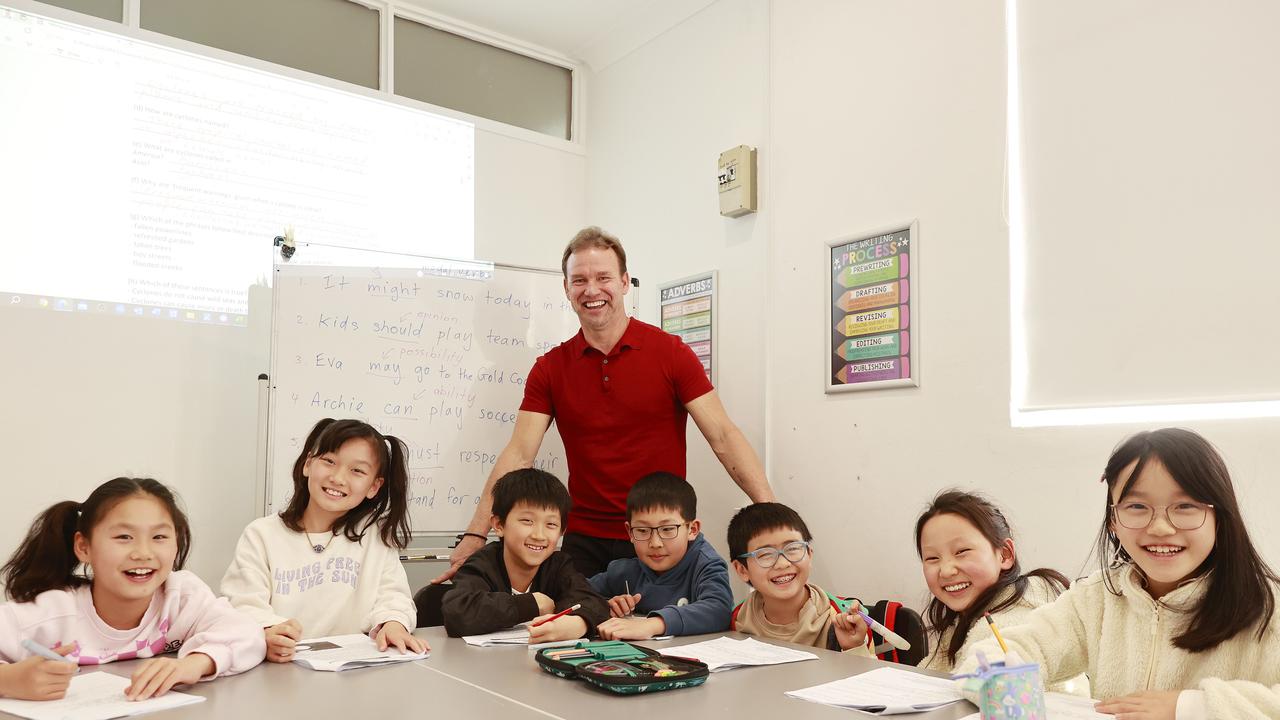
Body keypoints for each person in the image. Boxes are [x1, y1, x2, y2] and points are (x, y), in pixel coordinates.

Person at [435, 226, 775, 581]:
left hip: (657, 536)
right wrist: (476, 534)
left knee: (667, 632)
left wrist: (771, 513)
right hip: (585, 543)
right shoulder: (549, 369)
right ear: (566, 289)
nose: (592, 290)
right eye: (579, 280)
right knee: (576, 632)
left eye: (603, 277)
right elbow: (519, 454)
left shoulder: (672, 354)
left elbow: (723, 435)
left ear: (625, 282)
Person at [959, 428, 1280, 719]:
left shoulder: (1270, 606)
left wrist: (1190, 706)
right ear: (1113, 521)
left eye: (1185, 506)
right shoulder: (1098, 597)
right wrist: (996, 676)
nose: (1160, 528)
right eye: (1137, 507)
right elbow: (1012, 648)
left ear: (1219, 517)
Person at [0, 478, 263, 701]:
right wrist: (8, 681)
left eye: (159, 537)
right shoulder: (52, 611)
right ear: (83, 547)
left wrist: (194, 664)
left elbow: (247, 633)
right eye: (124, 537)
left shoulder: (180, 595)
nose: (143, 553)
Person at [221, 418, 425, 663]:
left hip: (354, 672)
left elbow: (393, 597)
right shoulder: (262, 535)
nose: (338, 478)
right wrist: (267, 632)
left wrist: (393, 623)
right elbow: (243, 604)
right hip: (280, 670)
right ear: (308, 463)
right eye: (329, 461)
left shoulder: (374, 536)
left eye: (357, 470)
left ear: (374, 486)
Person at [914, 489, 1077, 691]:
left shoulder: (1012, 624)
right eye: (932, 558)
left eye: (962, 552)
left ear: (1005, 554)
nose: (946, 570)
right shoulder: (964, 620)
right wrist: (864, 645)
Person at [440, 468, 609, 642]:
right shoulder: (482, 564)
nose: (539, 535)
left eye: (551, 524)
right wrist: (532, 604)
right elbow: (457, 611)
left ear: (561, 532)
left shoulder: (558, 565)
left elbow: (594, 602)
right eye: (527, 521)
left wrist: (578, 623)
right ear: (499, 525)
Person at [590, 472, 733, 639]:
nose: (655, 543)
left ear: (692, 529)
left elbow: (719, 609)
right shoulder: (625, 571)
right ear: (629, 531)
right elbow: (578, 593)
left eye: (667, 529)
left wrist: (653, 625)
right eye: (642, 531)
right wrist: (605, 605)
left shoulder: (706, 565)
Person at [727, 502, 870, 653]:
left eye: (793, 548)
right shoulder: (737, 619)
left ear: (809, 554)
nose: (782, 564)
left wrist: (853, 648)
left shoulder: (843, 619)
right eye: (765, 554)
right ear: (742, 569)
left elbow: (872, 675)